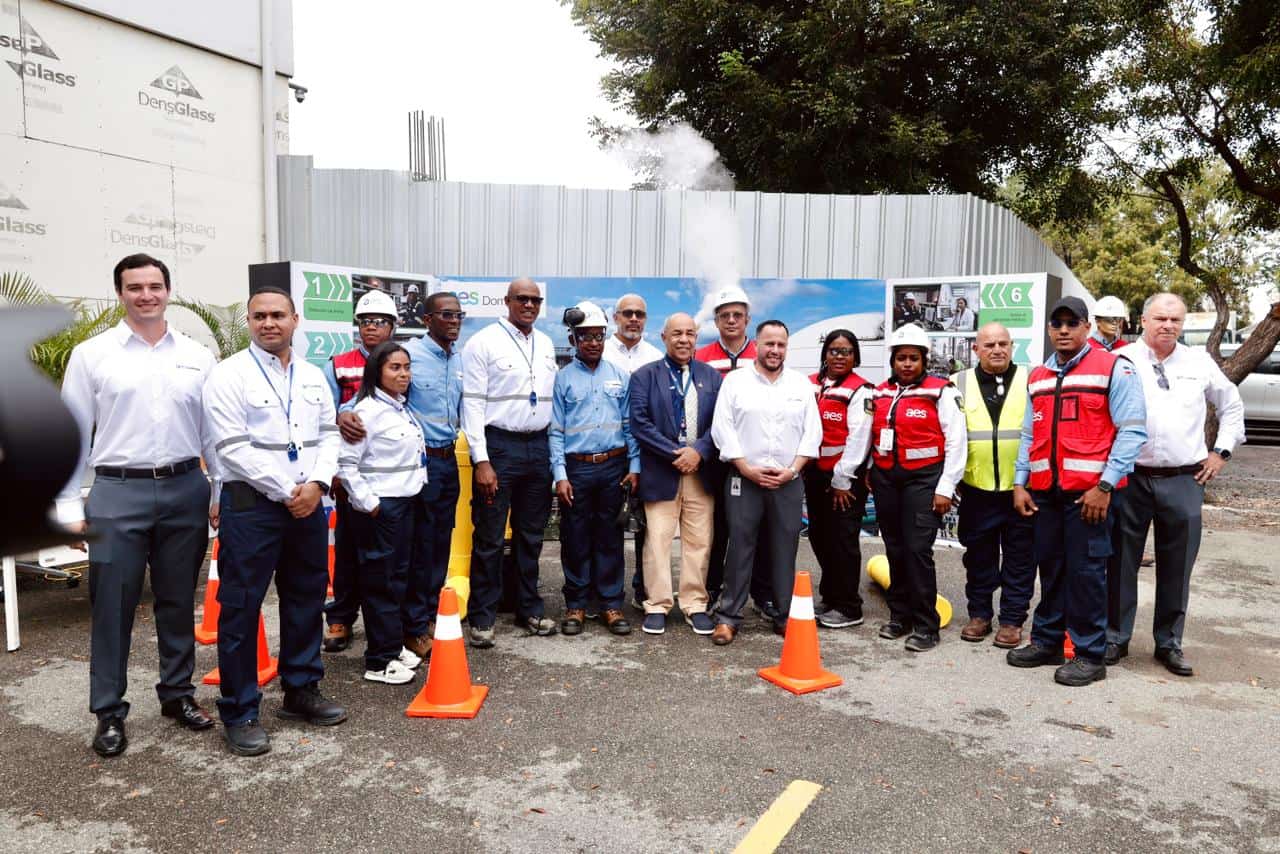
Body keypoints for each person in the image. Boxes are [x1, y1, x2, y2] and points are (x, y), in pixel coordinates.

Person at [56, 253, 218, 758]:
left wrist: (221, 492)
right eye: (135, 287)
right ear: (120, 294)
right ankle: (108, 710)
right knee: (112, 606)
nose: (146, 295)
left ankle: (177, 695)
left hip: (184, 488)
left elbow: (213, 433)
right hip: (117, 493)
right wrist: (65, 505)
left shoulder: (197, 354)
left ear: (169, 290)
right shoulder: (92, 354)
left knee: (176, 599)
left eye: (155, 286)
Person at [202, 286, 347, 756]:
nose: (269, 323)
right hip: (254, 505)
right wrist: (290, 491)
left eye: (278, 315)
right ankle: (241, 709)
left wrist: (318, 485)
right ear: (249, 321)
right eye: (259, 316)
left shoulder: (309, 376)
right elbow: (231, 448)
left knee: (306, 597)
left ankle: (301, 690)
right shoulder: (228, 375)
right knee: (241, 608)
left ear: (295, 319)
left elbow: (329, 434)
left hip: (307, 503)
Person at [1007, 296, 1147, 687]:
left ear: (1088, 327)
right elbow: (1030, 434)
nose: (1064, 330)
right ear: (1050, 329)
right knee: (1051, 569)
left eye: (1073, 322)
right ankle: (1048, 641)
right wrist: (1020, 482)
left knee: (1087, 574)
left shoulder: (1114, 368)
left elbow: (1133, 431)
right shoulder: (1038, 376)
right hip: (1046, 494)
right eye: (1058, 323)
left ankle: (1089, 653)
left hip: (1090, 497)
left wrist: (1104, 486)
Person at [1107, 293, 1244, 677]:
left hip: (1184, 478)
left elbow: (1232, 406)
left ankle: (1169, 643)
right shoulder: (1122, 359)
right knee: (1120, 561)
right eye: (1160, 318)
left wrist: (1221, 453)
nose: (1168, 325)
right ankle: (1115, 637)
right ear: (1143, 319)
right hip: (1129, 478)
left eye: (1176, 320)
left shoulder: (1199, 362)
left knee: (1177, 565)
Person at [338, 292, 465, 658]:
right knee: (414, 554)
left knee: (439, 546)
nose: (454, 320)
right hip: (414, 469)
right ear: (427, 319)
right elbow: (362, 403)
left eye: (459, 314)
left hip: (442, 465)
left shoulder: (461, 359)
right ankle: (408, 629)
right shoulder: (408, 355)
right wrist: (344, 413)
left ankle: (425, 618)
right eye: (447, 314)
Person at [833, 324, 966, 653]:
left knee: (917, 551)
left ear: (924, 360)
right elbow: (867, 436)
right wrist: (866, 469)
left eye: (913, 358)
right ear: (893, 360)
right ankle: (900, 616)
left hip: (924, 481)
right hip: (887, 481)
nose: (907, 364)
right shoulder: (878, 393)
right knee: (894, 548)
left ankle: (926, 625)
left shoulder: (942, 391)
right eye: (901, 358)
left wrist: (946, 487)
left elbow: (957, 442)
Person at [460, 277, 559, 647]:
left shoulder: (546, 343)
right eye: (522, 298)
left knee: (531, 536)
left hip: (538, 446)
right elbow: (471, 404)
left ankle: (528, 608)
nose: (529, 305)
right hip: (499, 448)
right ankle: (483, 615)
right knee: (488, 535)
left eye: (535, 299)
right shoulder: (482, 342)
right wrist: (481, 460)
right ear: (507, 301)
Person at [709, 320, 820, 645]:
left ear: (787, 347)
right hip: (744, 479)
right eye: (769, 344)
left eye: (780, 345)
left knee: (785, 549)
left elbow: (812, 433)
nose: (774, 350)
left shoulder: (800, 385)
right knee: (740, 547)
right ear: (756, 344)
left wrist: (793, 470)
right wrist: (746, 468)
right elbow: (722, 429)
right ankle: (729, 617)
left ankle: (784, 615)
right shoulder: (735, 382)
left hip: (788, 480)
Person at [337, 342, 428, 684]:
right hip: (382, 508)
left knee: (396, 580)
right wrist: (370, 504)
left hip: (404, 504)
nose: (403, 374)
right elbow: (346, 465)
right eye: (395, 368)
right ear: (377, 371)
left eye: (406, 367)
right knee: (380, 583)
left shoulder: (399, 408)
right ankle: (378, 661)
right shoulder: (366, 412)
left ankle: (391, 645)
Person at [628, 313, 722, 635]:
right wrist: (677, 454)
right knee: (657, 541)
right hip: (662, 470)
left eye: (690, 334)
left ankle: (695, 603)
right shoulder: (644, 376)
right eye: (677, 334)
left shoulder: (712, 377)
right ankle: (656, 604)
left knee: (699, 541)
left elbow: (720, 424)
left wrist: (699, 452)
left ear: (697, 338)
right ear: (664, 337)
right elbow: (639, 423)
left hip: (701, 471)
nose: (684, 339)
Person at [549, 302, 640, 636]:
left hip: (614, 468)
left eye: (598, 336)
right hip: (577, 471)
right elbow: (556, 431)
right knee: (575, 538)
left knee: (610, 538)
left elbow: (630, 427)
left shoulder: (619, 376)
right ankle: (576, 604)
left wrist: (634, 466)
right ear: (573, 340)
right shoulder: (563, 379)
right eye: (585, 336)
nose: (592, 342)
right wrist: (560, 475)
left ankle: (611, 604)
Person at [321, 289, 398, 655]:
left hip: (391, 475)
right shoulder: (338, 364)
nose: (372, 328)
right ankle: (340, 617)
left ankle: (388, 624)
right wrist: (338, 416)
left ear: (393, 326)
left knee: (388, 555)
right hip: (352, 474)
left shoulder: (400, 362)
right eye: (366, 322)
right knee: (349, 549)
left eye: (380, 322)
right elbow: (322, 415)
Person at [952, 322, 1035, 649]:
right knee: (979, 557)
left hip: (1021, 490)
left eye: (1003, 343)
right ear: (976, 349)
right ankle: (980, 615)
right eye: (989, 345)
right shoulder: (957, 383)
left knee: (1020, 558)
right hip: (977, 489)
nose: (997, 349)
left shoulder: (1032, 379)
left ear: (1012, 346)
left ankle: (1013, 620)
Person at [695, 286, 774, 619]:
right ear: (715, 319)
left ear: (747, 319)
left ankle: (762, 592)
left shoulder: (765, 352)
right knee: (717, 526)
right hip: (714, 455)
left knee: (758, 527)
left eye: (737, 314)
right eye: (724, 315)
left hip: (755, 455)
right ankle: (712, 587)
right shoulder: (701, 355)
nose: (731, 320)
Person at [805, 329, 874, 629]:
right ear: (825, 354)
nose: (839, 356)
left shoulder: (862, 391)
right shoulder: (811, 384)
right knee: (820, 538)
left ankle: (849, 606)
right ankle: (831, 596)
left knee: (843, 541)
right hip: (814, 475)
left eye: (846, 351)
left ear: (855, 356)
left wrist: (842, 480)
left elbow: (860, 439)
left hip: (844, 480)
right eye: (833, 350)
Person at [602, 293, 664, 609]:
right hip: (610, 451)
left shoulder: (655, 356)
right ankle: (608, 595)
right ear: (616, 317)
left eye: (640, 314)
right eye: (627, 313)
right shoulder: (601, 353)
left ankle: (643, 590)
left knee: (647, 525)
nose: (634, 319)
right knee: (611, 524)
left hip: (648, 452)